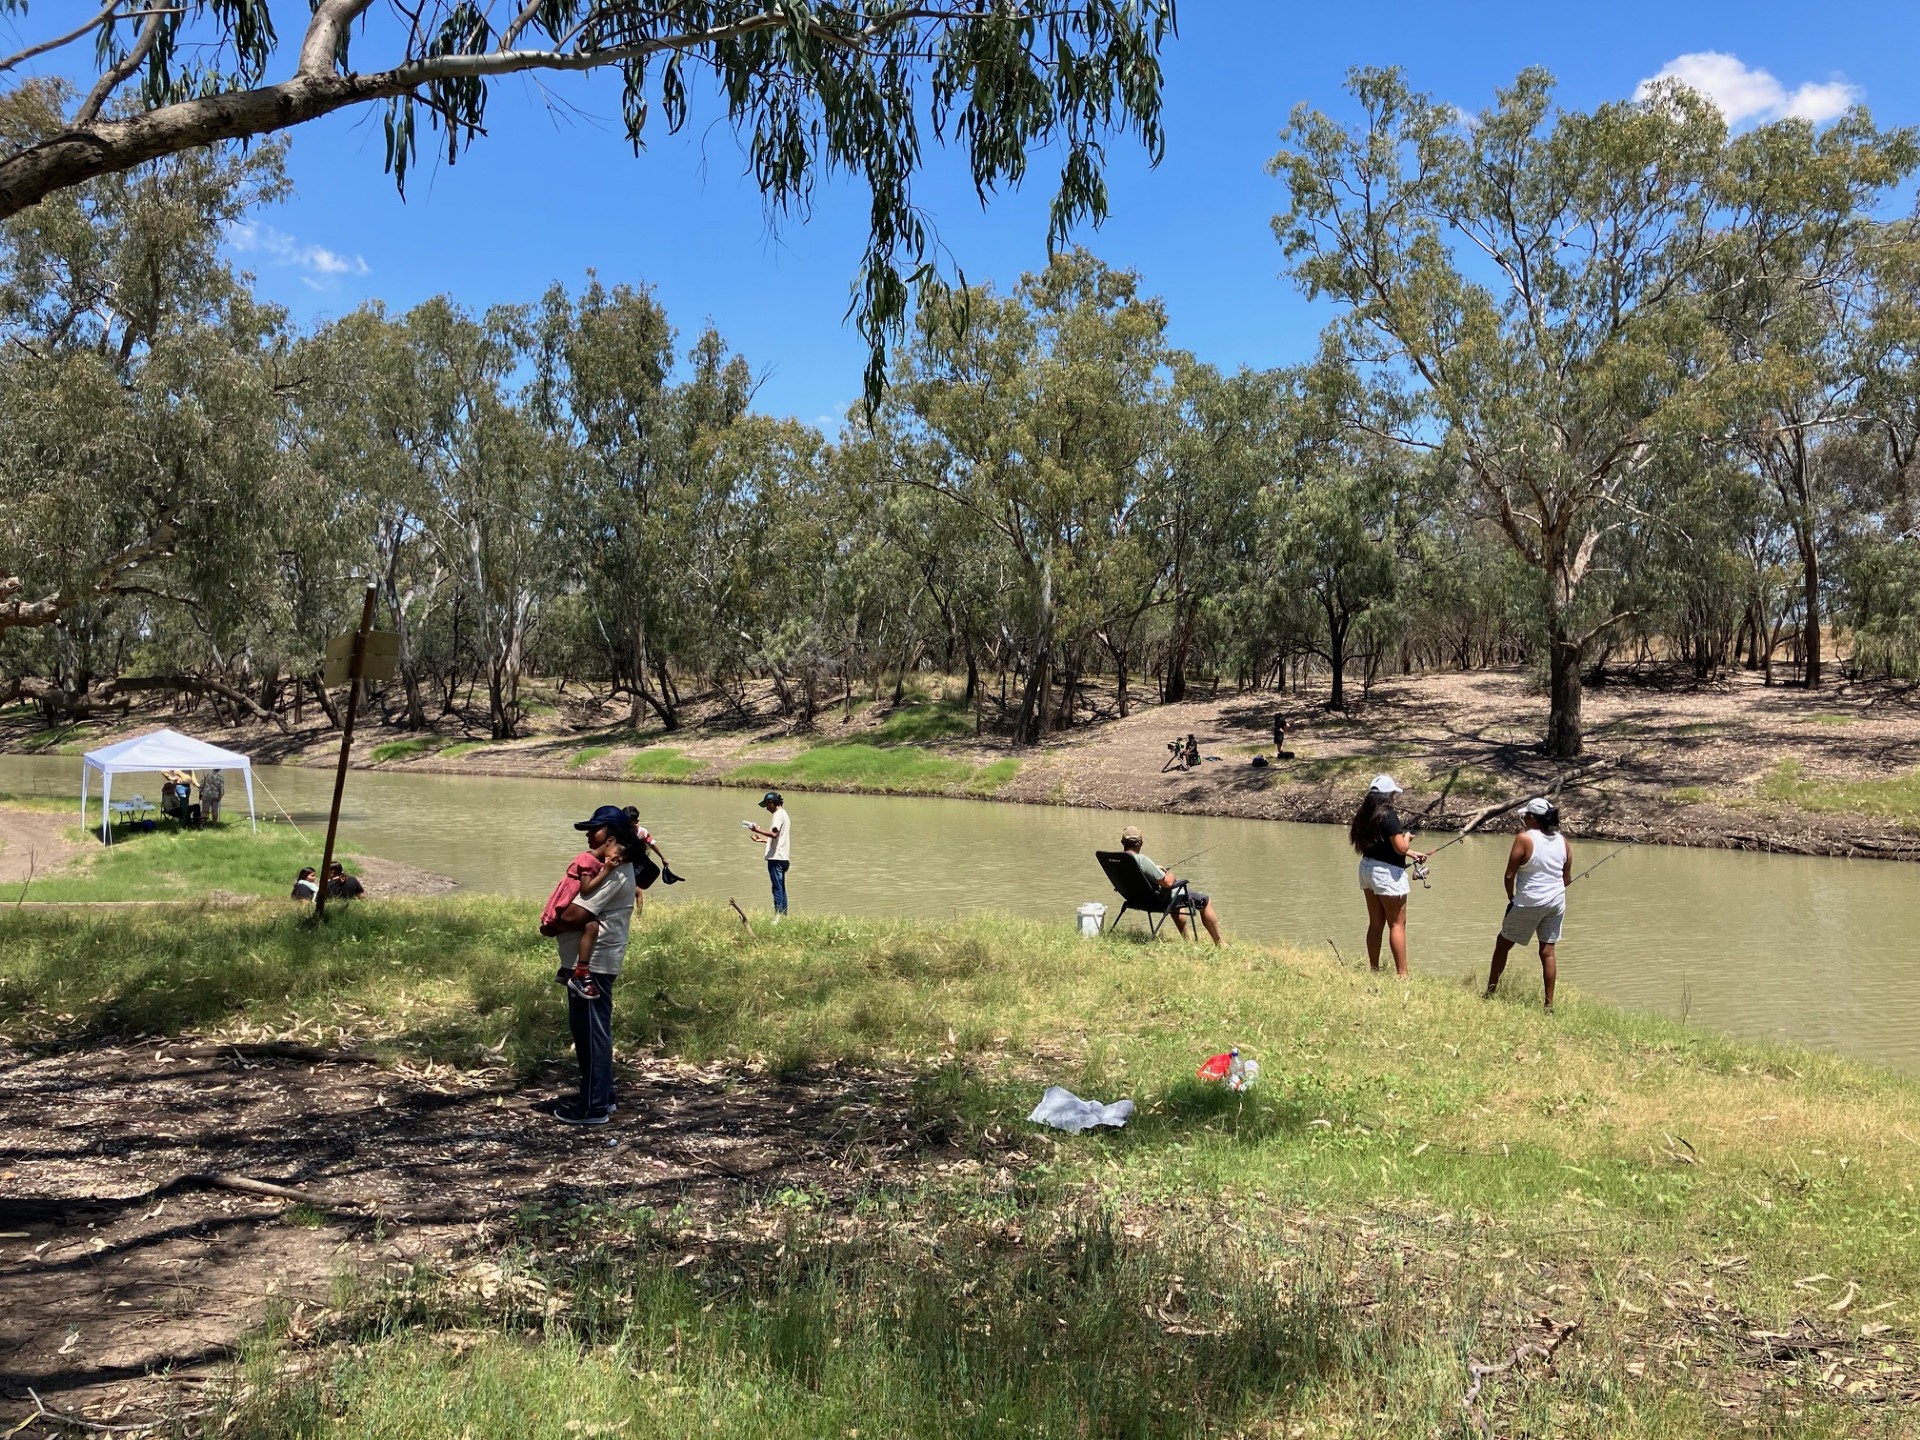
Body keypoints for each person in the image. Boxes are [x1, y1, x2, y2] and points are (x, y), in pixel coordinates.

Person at [550, 804, 641, 1125]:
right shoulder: (612, 867)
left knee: (591, 1032)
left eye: (595, 830)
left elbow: (575, 914)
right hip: (592, 962)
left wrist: (551, 923)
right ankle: (604, 1097)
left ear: (612, 836)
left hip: (595, 964)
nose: (589, 835)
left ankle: (594, 1107)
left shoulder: (613, 871)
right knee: (589, 1030)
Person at [1485, 797, 1574, 1012]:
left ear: (1533, 818)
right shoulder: (1563, 841)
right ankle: (1548, 1005)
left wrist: (1511, 898)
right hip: (1556, 902)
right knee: (1548, 951)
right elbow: (1567, 878)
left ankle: (1490, 992)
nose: (1523, 818)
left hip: (1529, 901)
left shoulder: (1524, 838)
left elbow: (1509, 875)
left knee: (1503, 943)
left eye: (1526, 815)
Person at [1349, 774, 1427, 977]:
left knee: (1376, 922)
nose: (1395, 797)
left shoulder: (1366, 813)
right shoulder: (1389, 814)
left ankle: (1373, 970)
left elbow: (1381, 844)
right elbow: (1400, 847)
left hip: (1366, 868)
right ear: (1387, 795)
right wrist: (1408, 838)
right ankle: (1403, 976)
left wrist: (1411, 853)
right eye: (1393, 793)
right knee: (1397, 924)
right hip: (1386, 874)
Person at [1118, 826, 1224, 946]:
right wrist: (1170, 875)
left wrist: (1154, 869)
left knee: (1177, 900)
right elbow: (1168, 883)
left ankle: (1187, 941)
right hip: (1157, 901)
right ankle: (1220, 943)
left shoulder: (1119, 860)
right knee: (1205, 900)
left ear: (1122, 842)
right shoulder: (1142, 860)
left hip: (1134, 899)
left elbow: (1137, 873)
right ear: (1141, 843)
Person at [746, 791, 791, 919]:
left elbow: (774, 834)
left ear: (772, 802)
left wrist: (756, 829)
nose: (766, 808)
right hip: (783, 858)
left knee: (776, 888)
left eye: (766, 804)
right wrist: (762, 840)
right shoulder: (785, 814)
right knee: (781, 888)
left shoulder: (777, 815)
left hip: (775, 859)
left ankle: (777, 917)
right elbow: (779, 839)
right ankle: (784, 916)